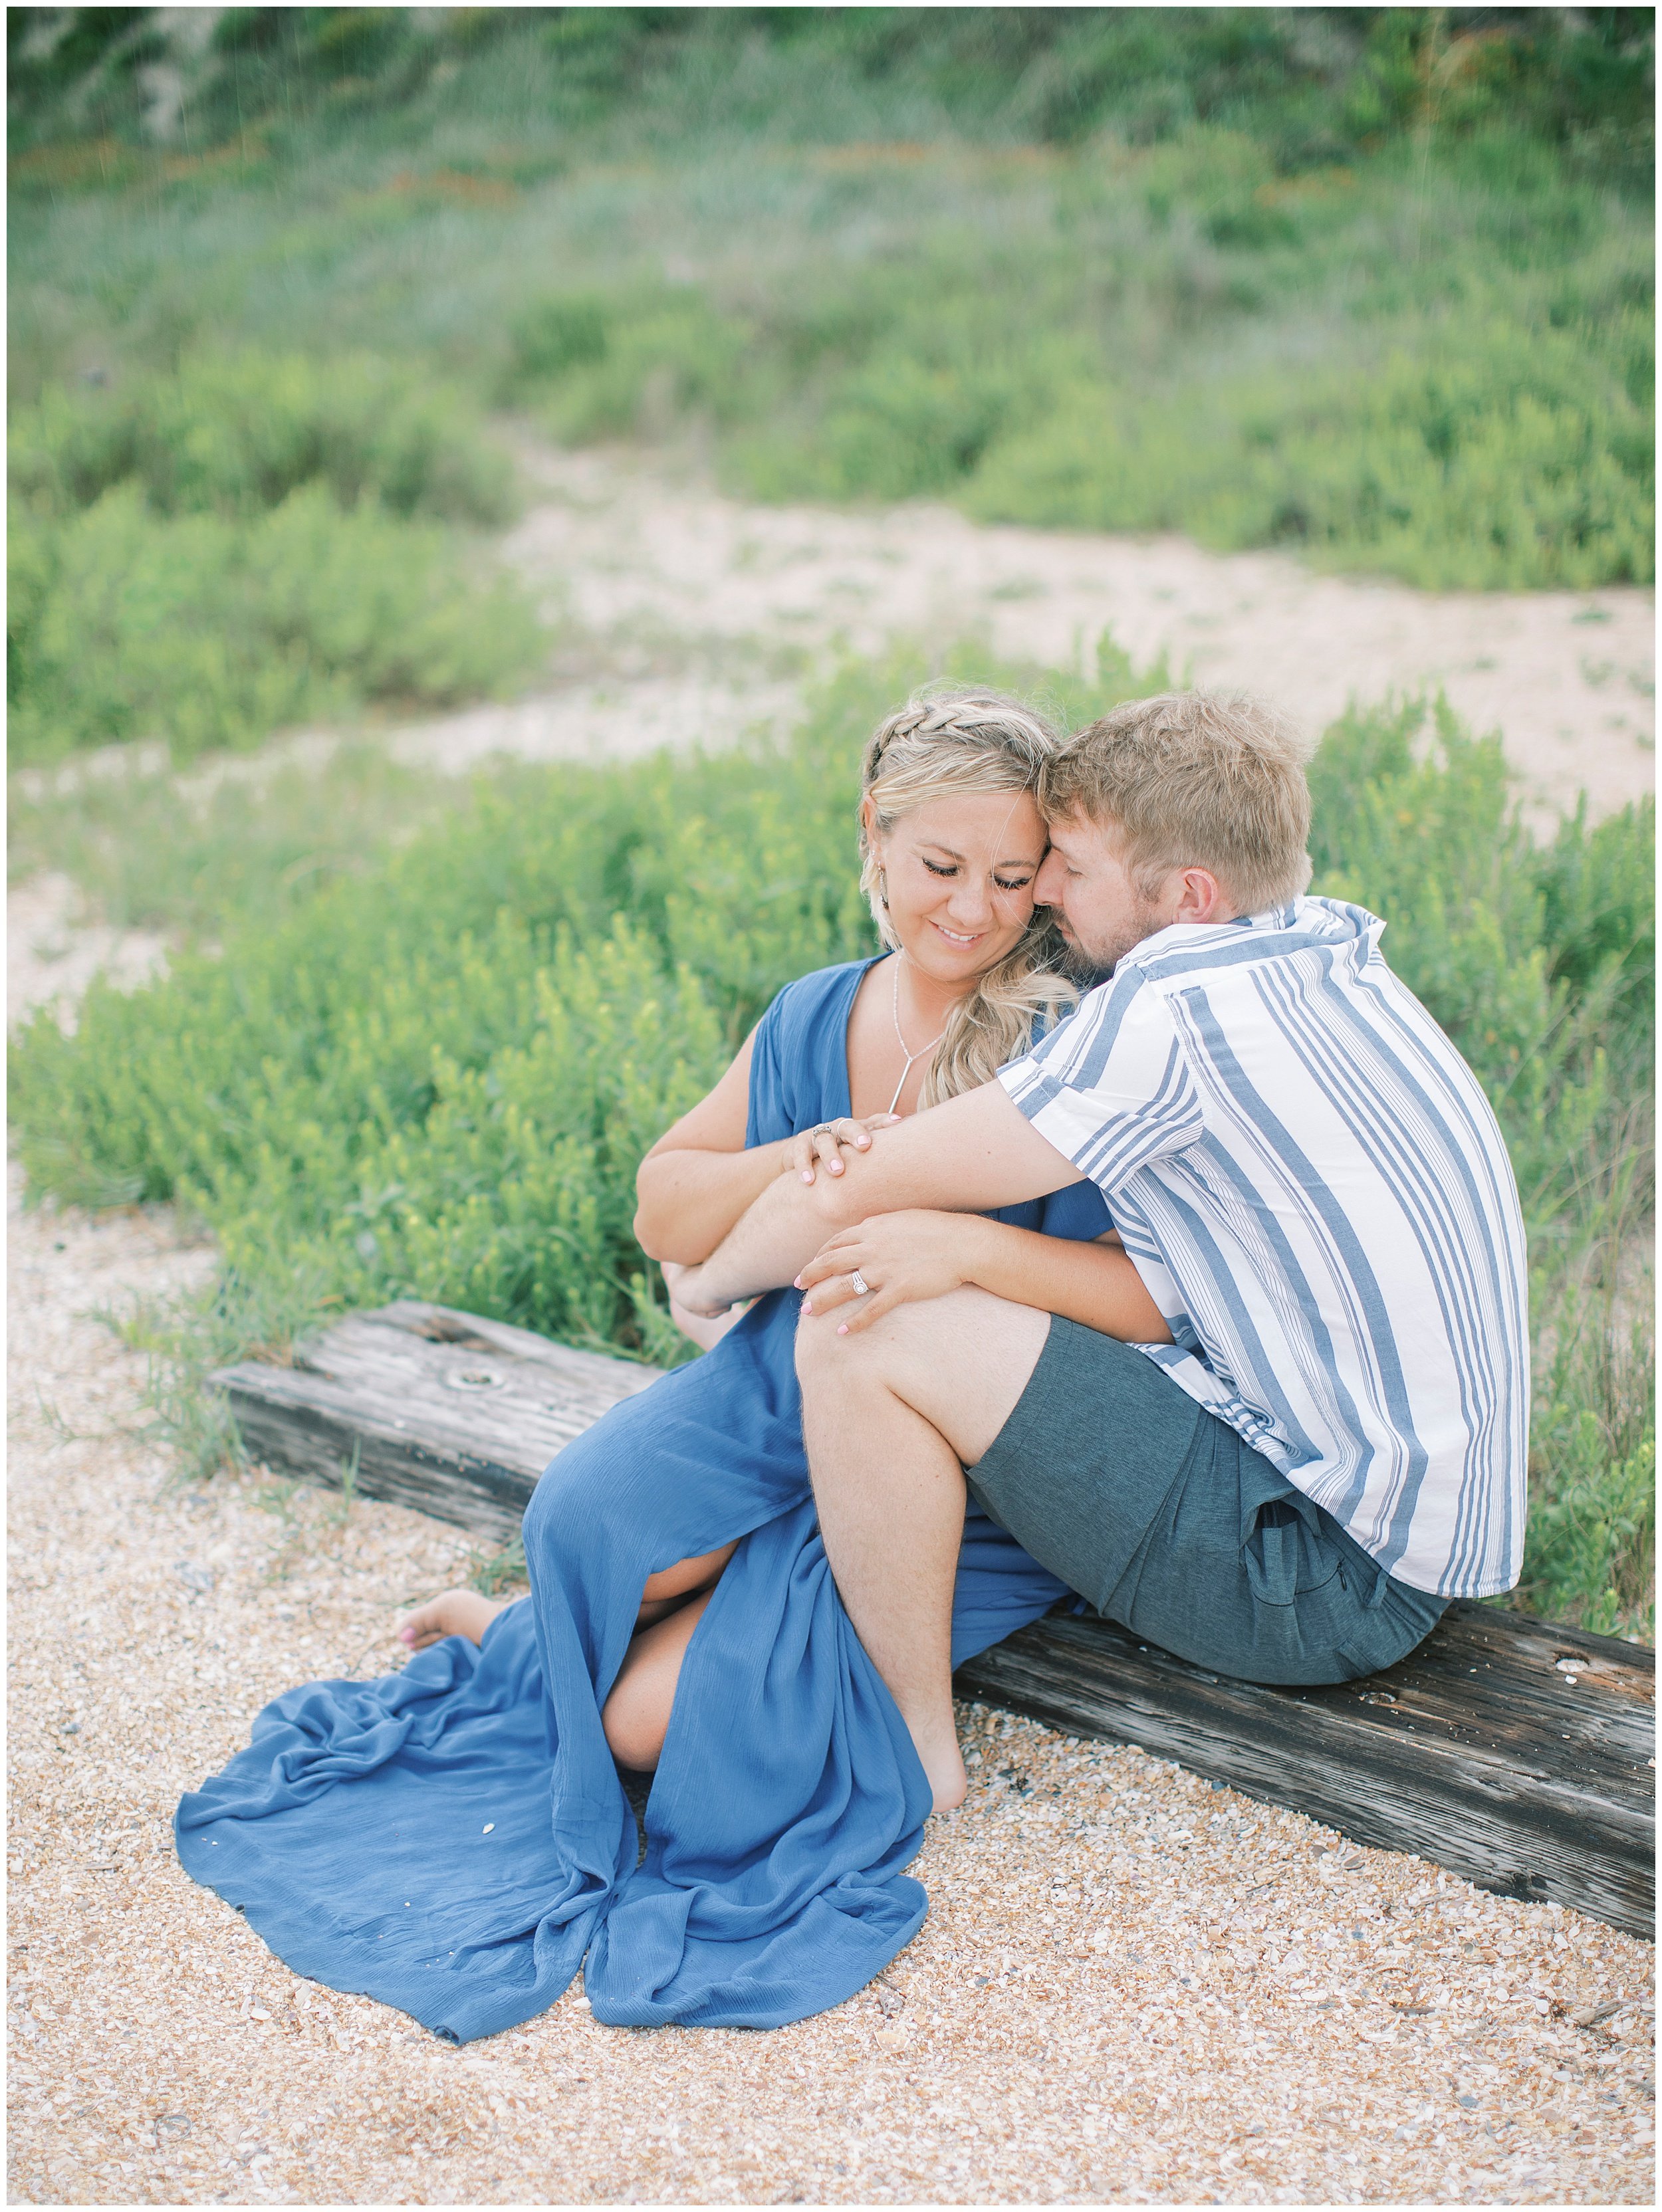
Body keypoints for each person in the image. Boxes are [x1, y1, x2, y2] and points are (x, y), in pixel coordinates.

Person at [174, 690, 1170, 2044]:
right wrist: (796, 1154)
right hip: (777, 1377)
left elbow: (1147, 1307)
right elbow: (664, 1207)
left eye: (1010, 877)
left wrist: (950, 1246)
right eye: (939, 868)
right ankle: (528, 1635)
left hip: (952, 1441)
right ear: (870, 839)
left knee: (658, 1724)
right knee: (579, 1521)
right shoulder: (819, 1008)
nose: (973, 911)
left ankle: (544, 1653)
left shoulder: (1074, 1033)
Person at [671, 690, 1532, 1814]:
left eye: (1069, 866)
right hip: (1405, 1539)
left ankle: (916, 1753)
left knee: (861, 1326)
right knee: (925, 1278)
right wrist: (964, 1249)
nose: (1047, 894)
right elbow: (1179, 1291)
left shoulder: (1175, 1006)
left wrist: (709, 1285)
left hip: (1321, 1580)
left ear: (1187, 896)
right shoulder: (1325, 947)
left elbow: (875, 1176)